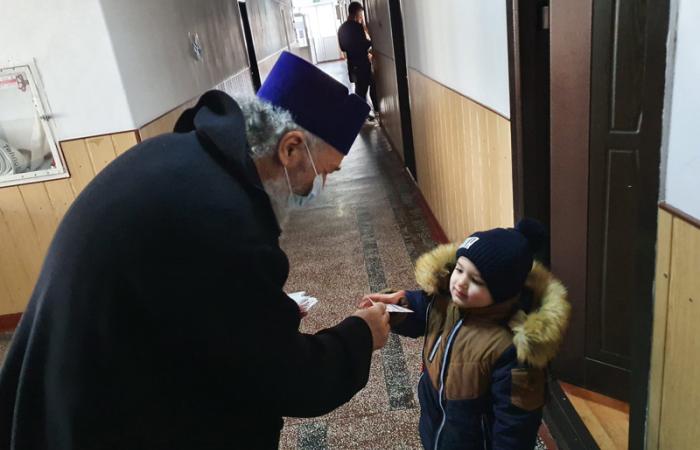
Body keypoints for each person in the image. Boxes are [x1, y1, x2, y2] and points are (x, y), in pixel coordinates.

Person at [0, 51, 390, 450]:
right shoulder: (221, 217)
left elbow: (197, 303)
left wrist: (261, 309)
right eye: (322, 172)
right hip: (95, 417)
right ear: (290, 149)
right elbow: (286, 378)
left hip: (68, 388)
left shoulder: (183, 158)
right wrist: (362, 333)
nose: (318, 188)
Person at [362, 219, 570, 449]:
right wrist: (397, 307)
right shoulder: (446, 302)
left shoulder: (512, 350)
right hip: (436, 426)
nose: (460, 283)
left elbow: (515, 426)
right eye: (459, 270)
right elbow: (424, 310)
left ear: (501, 292)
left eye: (476, 280)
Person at [338, 1, 379, 120]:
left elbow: (343, 48)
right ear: (357, 12)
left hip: (352, 64)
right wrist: (369, 37)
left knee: (361, 88)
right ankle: (365, 113)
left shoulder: (341, 28)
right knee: (366, 88)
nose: (361, 15)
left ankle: (365, 113)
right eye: (360, 12)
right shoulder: (357, 27)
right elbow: (364, 44)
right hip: (362, 63)